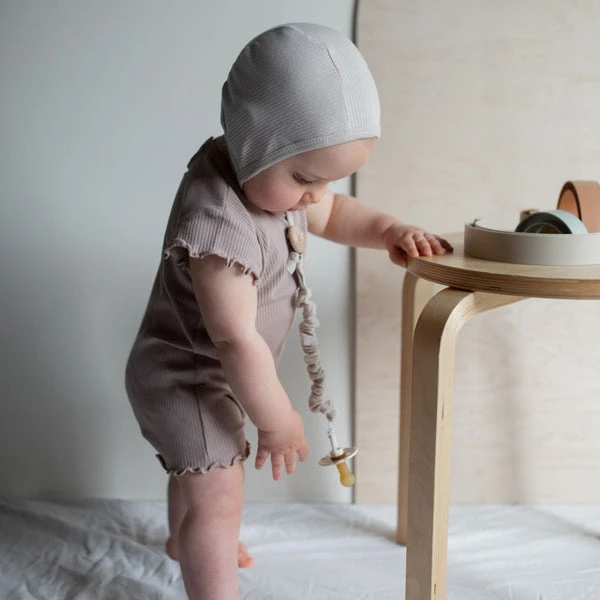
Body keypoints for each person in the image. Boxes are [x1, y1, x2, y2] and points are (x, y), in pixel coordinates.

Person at [125, 22, 452, 600]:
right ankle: (208, 563)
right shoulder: (218, 224)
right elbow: (235, 340)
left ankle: (185, 539)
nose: (314, 196)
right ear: (253, 143)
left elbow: (333, 214)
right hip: (188, 377)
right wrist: (276, 421)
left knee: (197, 474)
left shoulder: (274, 183)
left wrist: (388, 230)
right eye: (305, 179)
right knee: (219, 495)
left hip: (221, 373)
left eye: (326, 181)